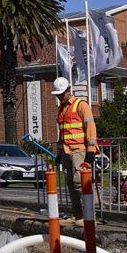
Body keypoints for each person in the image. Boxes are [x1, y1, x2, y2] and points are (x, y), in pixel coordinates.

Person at [51, 77, 98, 222]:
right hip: (66, 152)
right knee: (71, 185)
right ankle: (78, 215)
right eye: (58, 95)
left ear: (68, 91)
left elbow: (90, 127)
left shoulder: (81, 105)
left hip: (80, 151)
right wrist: (59, 152)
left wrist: (90, 150)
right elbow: (63, 132)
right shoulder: (62, 109)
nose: (60, 97)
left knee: (81, 183)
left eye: (61, 94)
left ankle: (89, 216)